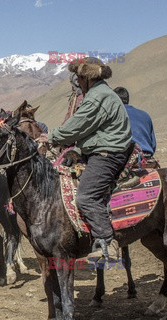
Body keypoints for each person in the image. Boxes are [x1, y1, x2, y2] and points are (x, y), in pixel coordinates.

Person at [40, 58, 132, 261]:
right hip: (99, 150)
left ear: (87, 78)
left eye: (79, 78)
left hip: (107, 154)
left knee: (86, 196)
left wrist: (52, 137)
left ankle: (107, 242)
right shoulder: (100, 93)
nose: (77, 82)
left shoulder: (97, 97)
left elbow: (78, 125)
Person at [113, 86, 157, 158]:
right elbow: (153, 144)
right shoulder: (145, 115)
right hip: (147, 156)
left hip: (125, 157)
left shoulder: (114, 115)